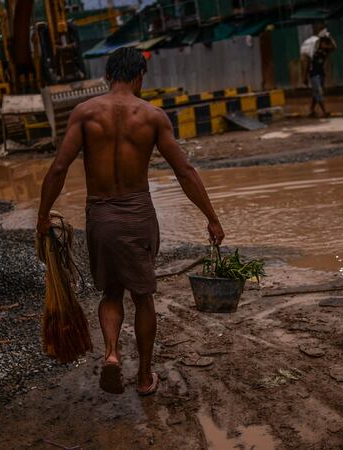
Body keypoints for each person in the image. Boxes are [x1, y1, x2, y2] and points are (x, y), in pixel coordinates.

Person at [36, 48, 224, 396]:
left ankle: (110, 354)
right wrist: (211, 218)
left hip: (101, 217)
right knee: (143, 297)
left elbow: (58, 169)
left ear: (108, 76)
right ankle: (143, 377)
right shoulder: (152, 116)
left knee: (110, 292)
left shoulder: (85, 113)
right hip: (138, 216)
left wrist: (43, 215)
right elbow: (184, 171)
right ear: (140, 76)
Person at [302, 22, 337, 118]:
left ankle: (311, 110)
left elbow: (334, 47)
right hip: (313, 74)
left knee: (316, 92)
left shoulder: (325, 51)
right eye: (323, 42)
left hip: (321, 73)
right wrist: (305, 77)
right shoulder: (314, 51)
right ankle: (324, 112)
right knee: (318, 91)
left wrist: (329, 37)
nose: (325, 44)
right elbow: (307, 64)